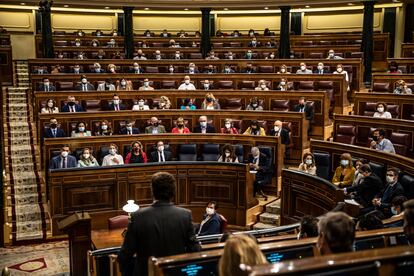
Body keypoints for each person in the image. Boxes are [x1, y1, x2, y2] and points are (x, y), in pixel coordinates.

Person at [119, 172, 201, 275]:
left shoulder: (138, 216)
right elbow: (195, 250)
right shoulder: (185, 215)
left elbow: (125, 254)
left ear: (152, 191)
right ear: (173, 191)